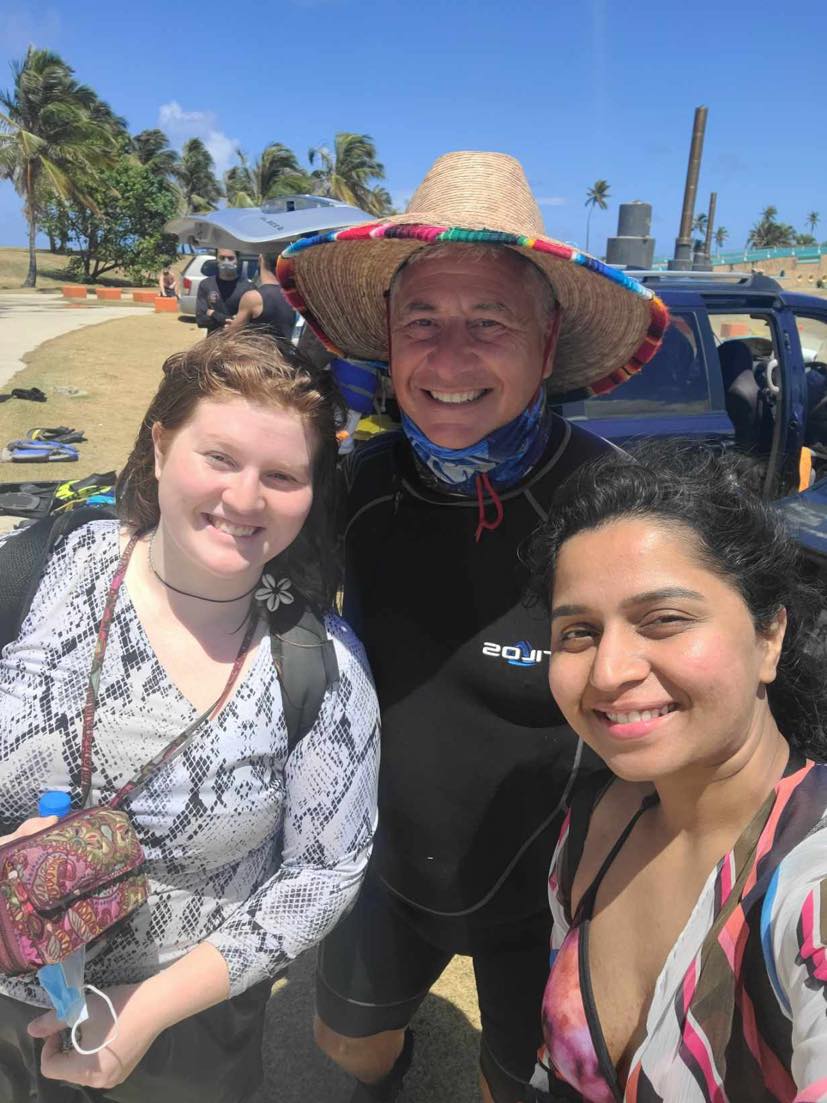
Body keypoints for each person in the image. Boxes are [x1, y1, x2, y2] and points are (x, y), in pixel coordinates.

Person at [277, 150, 669, 1102]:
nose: (448, 359)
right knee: (348, 1048)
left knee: (515, 1087)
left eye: (487, 323)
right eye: (422, 323)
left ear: (547, 343)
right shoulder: (356, 489)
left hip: (550, 894)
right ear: (386, 344)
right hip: (383, 864)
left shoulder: (614, 507)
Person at [0, 330, 380, 1102]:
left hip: (185, 1030)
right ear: (162, 441)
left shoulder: (318, 665)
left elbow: (323, 871)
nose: (245, 499)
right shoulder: (38, 573)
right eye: (219, 457)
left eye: (280, 474)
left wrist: (143, 1014)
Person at [526, 442, 827, 1101]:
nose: (608, 671)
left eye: (662, 619)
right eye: (576, 631)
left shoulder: (808, 885)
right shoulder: (593, 823)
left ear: (768, 636)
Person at [226, 252, 296, 340]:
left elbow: (232, 336)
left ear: (260, 259)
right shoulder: (293, 296)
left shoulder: (253, 297)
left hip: (258, 352)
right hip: (283, 353)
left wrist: (230, 327)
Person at [195, 249, 254, 334]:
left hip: (238, 342)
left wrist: (214, 314)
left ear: (237, 260)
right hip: (213, 341)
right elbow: (201, 320)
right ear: (216, 260)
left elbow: (251, 322)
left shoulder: (248, 288)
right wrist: (234, 321)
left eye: (230, 258)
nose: (226, 262)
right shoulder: (206, 285)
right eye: (222, 258)